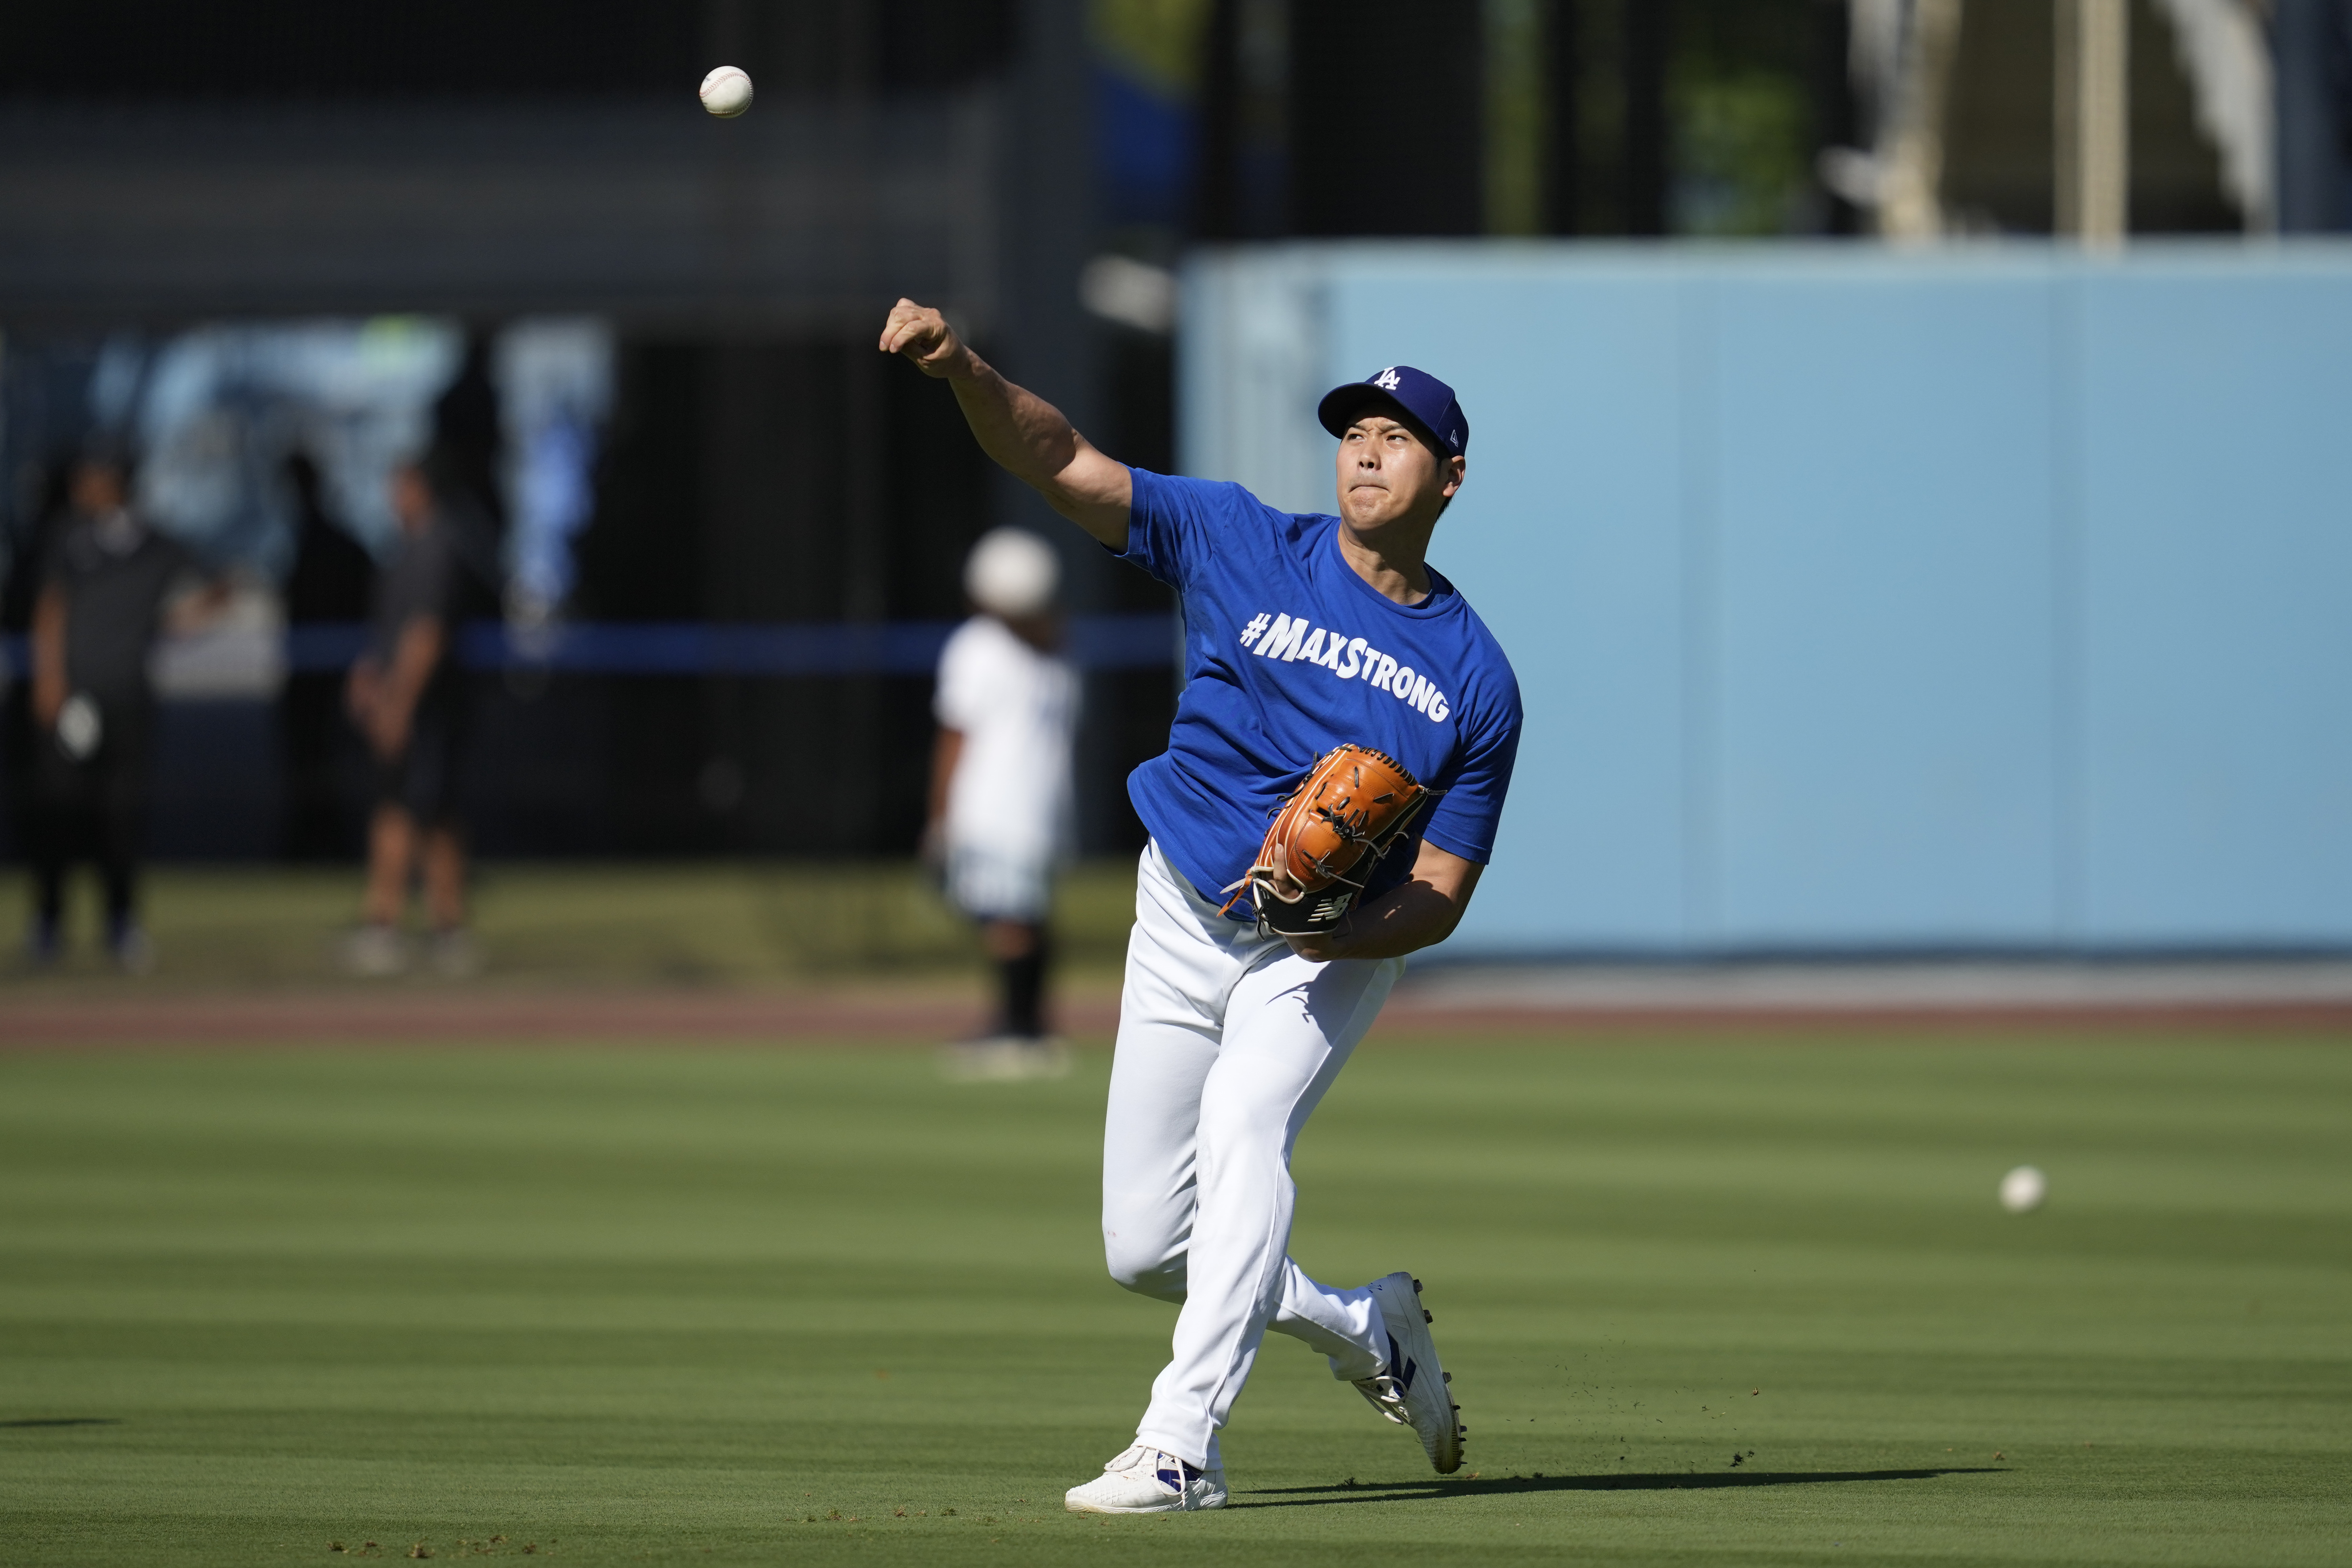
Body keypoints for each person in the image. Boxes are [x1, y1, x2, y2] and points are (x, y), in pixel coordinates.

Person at [879, 301, 1523, 1513]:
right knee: (1147, 1245)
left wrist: (1340, 933)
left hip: (1320, 949)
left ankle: (1182, 1447)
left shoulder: (1476, 678)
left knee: (1243, 1131)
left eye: (1400, 435)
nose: (1369, 449)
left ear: (1452, 475)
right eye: (1356, 430)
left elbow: (1438, 890)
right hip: (1178, 907)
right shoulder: (1238, 537)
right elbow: (1061, 458)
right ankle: (1363, 1328)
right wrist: (962, 365)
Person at [24, 444, 226, 970]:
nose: (82, 483)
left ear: (116, 481)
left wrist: (172, 625)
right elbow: (51, 607)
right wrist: (50, 679)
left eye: (93, 474)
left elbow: (218, 586)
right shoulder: (68, 538)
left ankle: (121, 922)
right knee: (59, 812)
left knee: (121, 816)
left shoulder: (156, 544)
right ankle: (49, 922)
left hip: (128, 698)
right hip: (74, 696)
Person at [929, 527, 1081, 1082]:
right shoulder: (1059, 649)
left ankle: (1017, 1031)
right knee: (1027, 918)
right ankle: (1028, 1023)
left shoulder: (977, 646)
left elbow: (955, 736)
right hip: (1042, 808)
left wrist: (939, 816)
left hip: (993, 807)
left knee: (1007, 921)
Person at [342, 457, 473, 978]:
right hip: (413, 699)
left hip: (429, 704)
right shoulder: (406, 550)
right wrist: (370, 673)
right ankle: (445, 926)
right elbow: (392, 633)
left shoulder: (434, 548)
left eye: (400, 487)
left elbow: (426, 634)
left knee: (409, 809)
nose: (393, 497)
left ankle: (389, 923)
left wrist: (399, 703)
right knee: (423, 808)